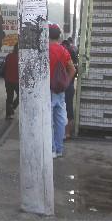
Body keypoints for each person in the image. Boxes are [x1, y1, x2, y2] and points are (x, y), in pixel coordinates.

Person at [49, 24, 76, 158]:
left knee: (48, 122)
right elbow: (72, 69)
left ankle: (52, 149)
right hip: (60, 91)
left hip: (48, 91)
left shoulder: (45, 50)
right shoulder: (64, 50)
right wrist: (66, 83)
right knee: (60, 121)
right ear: (59, 36)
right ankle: (59, 149)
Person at [61, 38, 79, 139]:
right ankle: (67, 132)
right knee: (69, 109)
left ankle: (66, 132)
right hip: (70, 86)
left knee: (64, 109)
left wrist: (65, 83)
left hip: (65, 86)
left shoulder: (66, 55)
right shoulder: (73, 52)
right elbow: (75, 70)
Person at [3, 43, 19, 120]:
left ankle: (9, 114)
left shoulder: (9, 56)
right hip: (17, 81)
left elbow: (5, 67)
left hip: (8, 80)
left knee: (9, 97)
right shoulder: (22, 58)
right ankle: (13, 106)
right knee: (20, 96)